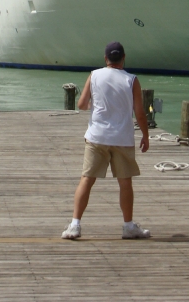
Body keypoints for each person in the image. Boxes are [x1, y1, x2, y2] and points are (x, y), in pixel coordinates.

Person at [61, 41, 150, 240]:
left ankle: (75, 225)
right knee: (125, 182)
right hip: (122, 138)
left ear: (105, 58)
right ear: (124, 57)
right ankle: (128, 226)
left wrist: (97, 103)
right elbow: (140, 113)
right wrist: (145, 135)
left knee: (87, 179)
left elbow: (82, 104)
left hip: (97, 137)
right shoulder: (132, 80)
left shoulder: (94, 75)